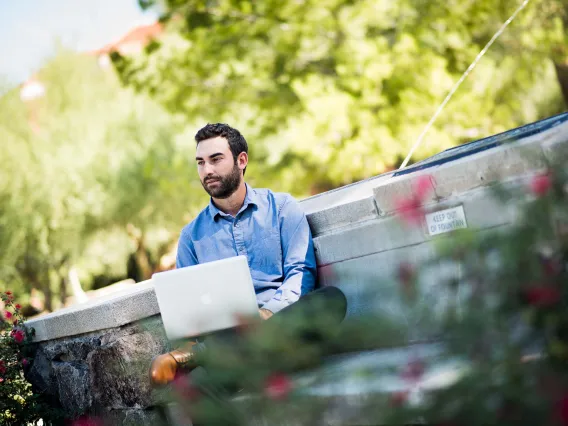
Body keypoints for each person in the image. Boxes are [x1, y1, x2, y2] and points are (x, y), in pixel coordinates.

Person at [150, 123, 346, 387]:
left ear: (241, 160)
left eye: (215, 159)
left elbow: (301, 276)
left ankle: (230, 360)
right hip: (230, 338)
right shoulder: (191, 237)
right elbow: (191, 315)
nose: (207, 170)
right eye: (200, 162)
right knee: (212, 367)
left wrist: (265, 315)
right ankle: (256, 362)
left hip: (281, 322)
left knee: (330, 299)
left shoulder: (282, 208)